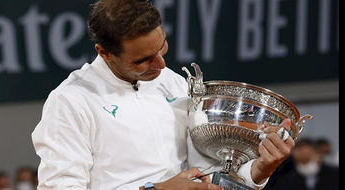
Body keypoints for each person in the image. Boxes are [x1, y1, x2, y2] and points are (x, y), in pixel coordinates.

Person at [31, 0, 295, 189]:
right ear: (105, 53)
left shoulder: (174, 83)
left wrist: (259, 170)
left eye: (162, 47)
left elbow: (209, 171)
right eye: (142, 60)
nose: (160, 65)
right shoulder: (70, 101)